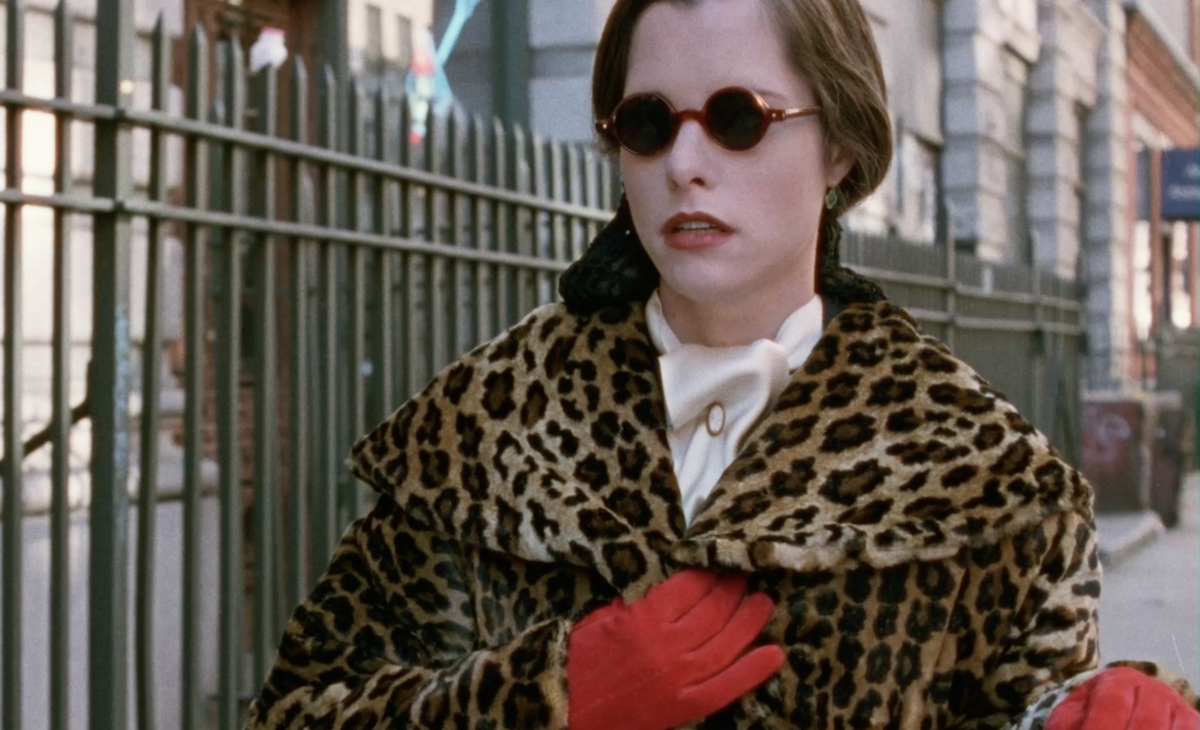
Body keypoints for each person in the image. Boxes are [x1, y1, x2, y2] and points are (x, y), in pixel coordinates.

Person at [246, 1, 1200, 728]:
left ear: (841, 147)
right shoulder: (485, 433)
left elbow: (1032, 704)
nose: (685, 163)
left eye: (739, 117)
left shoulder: (986, 480)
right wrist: (552, 699)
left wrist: (1098, 714)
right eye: (649, 123)